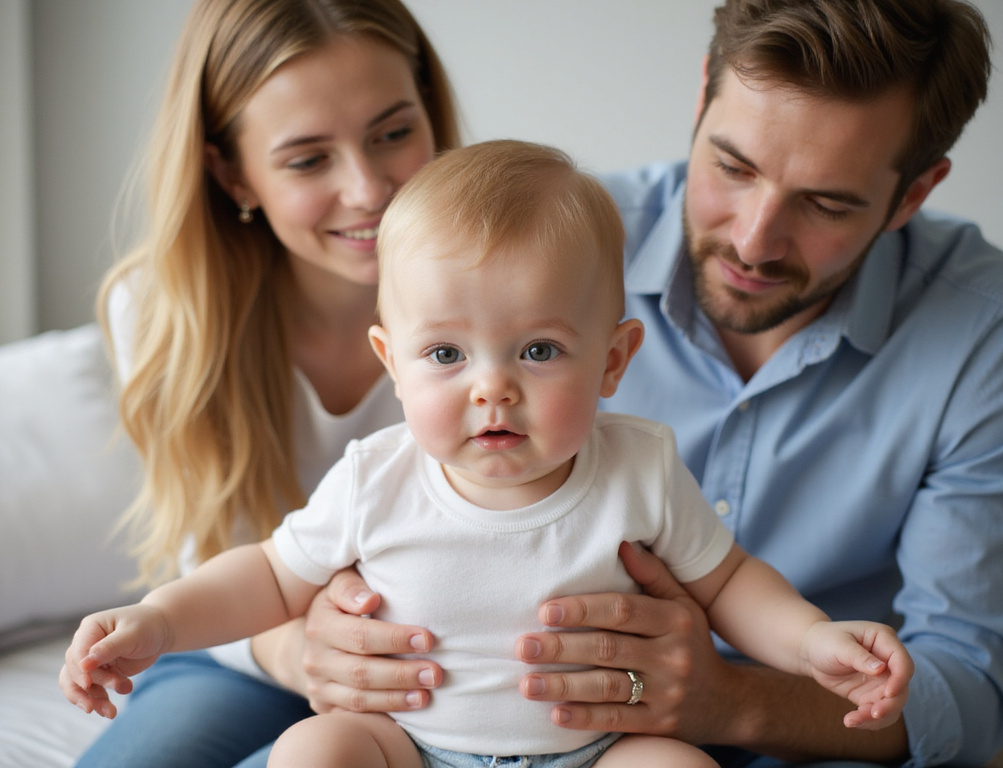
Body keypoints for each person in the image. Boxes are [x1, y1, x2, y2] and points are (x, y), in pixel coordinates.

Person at [298, 2, 1003, 767]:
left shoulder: (988, 329)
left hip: (790, 734)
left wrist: (730, 700)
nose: (753, 239)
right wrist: (324, 634)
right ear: (704, 91)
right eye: (732, 168)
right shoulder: (545, 245)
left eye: (826, 203)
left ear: (913, 195)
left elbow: (971, 687)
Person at [63, 139, 916, 768]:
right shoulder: (377, 476)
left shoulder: (639, 467)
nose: (492, 389)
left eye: (539, 351)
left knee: (677, 767)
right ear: (391, 362)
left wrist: (812, 643)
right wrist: (161, 621)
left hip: (598, 749)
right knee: (314, 750)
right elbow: (267, 575)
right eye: (445, 356)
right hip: (410, 744)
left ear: (614, 359)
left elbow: (729, 583)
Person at [64, 0, 460, 766]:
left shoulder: (506, 281)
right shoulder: (159, 311)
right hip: (244, 646)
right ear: (230, 171)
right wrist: (300, 653)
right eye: (309, 159)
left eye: (394, 132)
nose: (370, 188)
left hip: (440, 662)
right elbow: (205, 549)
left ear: (431, 116)